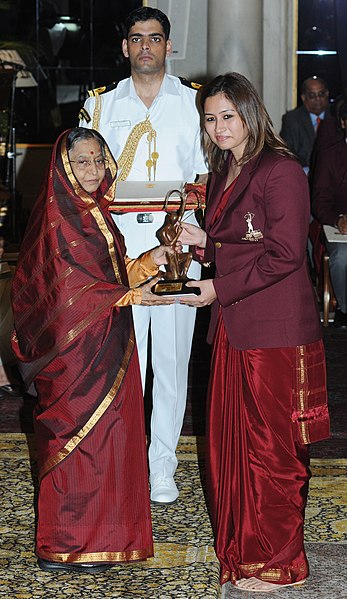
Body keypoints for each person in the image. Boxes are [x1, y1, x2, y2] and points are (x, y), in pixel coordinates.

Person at [178, 73, 330, 594]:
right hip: (236, 328)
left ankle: (281, 562)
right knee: (233, 446)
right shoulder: (226, 168)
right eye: (210, 118)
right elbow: (235, 242)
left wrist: (217, 287)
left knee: (272, 450)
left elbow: (286, 254)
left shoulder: (280, 168)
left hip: (273, 330)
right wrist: (201, 242)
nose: (219, 127)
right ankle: (246, 550)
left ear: (250, 112)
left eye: (228, 115)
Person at [11, 127, 175, 572]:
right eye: (82, 161)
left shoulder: (94, 210)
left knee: (108, 440)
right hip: (74, 354)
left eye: (99, 160)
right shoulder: (58, 218)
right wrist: (133, 296)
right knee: (74, 441)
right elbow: (68, 290)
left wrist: (149, 262)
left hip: (108, 341)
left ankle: (102, 539)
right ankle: (62, 544)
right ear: (64, 166)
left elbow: (110, 275)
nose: (93, 169)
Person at [79, 6, 207, 504]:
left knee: (172, 364)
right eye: (137, 38)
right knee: (122, 362)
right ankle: (125, 457)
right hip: (120, 253)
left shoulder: (193, 104)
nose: (146, 47)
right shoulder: (102, 107)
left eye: (155, 38)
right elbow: (87, 178)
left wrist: (182, 236)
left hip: (176, 249)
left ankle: (162, 467)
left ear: (169, 46)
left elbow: (201, 179)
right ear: (125, 46)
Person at [311, 98, 347, 328]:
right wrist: (338, 219)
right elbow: (320, 201)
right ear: (344, 123)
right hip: (341, 227)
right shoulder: (331, 155)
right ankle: (345, 308)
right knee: (342, 257)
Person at [280, 76, 331, 174]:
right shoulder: (292, 119)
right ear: (303, 98)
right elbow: (286, 150)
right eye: (312, 95)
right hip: (302, 173)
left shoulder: (335, 116)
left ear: (327, 94)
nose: (318, 99)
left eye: (321, 94)